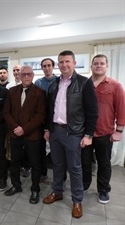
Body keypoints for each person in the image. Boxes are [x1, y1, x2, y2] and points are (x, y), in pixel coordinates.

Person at [43, 50, 98, 218]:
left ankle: (77, 200)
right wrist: (47, 129)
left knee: (74, 168)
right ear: (58, 65)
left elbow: (92, 111)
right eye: (61, 62)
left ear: (74, 63)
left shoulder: (84, 83)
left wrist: (88, 135)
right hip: (55, 132)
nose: (64, 65)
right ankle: (57, 191)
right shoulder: (54, 84)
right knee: (57, 164)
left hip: (73, 133)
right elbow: (48, 110)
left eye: (67, 61)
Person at [81, 54, 125, 204]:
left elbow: (121, 108)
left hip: (105, 133)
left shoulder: (115, 86)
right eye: (95, 63)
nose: (98, 66)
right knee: (85, 162)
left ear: (107, 66)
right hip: (85, 133)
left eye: (102, 63)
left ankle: (103, 189)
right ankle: (84, 184)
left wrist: (119, 130)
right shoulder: (84, 84)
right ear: (91, 66)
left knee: (104, 163)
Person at [3, 66, 46, 204]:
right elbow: (6, 112)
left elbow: (40, 115)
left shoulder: (40, 93)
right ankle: (16, 185)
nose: (26, 76)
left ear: (33, 76)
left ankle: (35, 189)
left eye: (29, 74)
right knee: (14, 162)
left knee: (35, 164)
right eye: (23, 74)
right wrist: (16, 128)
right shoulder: (11, 91)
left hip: (32, 135)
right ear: (19, 76)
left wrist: (24, 129)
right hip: (15, 134)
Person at [34, 58, 57, 181]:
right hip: (41, 121)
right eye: (44, 66)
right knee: (40, 149)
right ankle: (43, 173)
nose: (47, 68)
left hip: (55, 120)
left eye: (49, 65)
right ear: (41, 68)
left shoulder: (59, 81)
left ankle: (59, 177)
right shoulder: (38, 83)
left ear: (53, 67)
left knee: (57, 150)